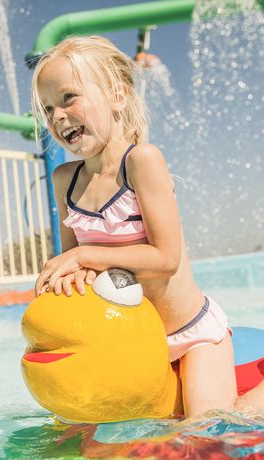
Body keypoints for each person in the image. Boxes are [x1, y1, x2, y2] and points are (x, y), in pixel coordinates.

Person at [32, 35, 263, 417]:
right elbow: (76, 267)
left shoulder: (142, 161)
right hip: (130, 344)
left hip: (189, 336)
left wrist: (82, 254)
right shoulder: (64, 180)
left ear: (117, 97)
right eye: (48, 108)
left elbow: (166, 258)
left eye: (69, 98)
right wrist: (63, 276)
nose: (57, 116)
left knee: (209, 427)